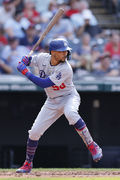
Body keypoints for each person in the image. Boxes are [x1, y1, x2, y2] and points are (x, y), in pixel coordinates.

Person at [16, 38, 103, 173]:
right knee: (34, 133)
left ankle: (92, 145)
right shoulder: (42, 58)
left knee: (71, 114)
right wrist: (25, 60)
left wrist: (25, 72)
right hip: (52, 101)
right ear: (53, 52)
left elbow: (43, 83)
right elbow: (30, 60)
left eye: (66, 51)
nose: (65, 54)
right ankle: (28, 163)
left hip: (69, 97)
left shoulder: (66, 68)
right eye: (62, 52)